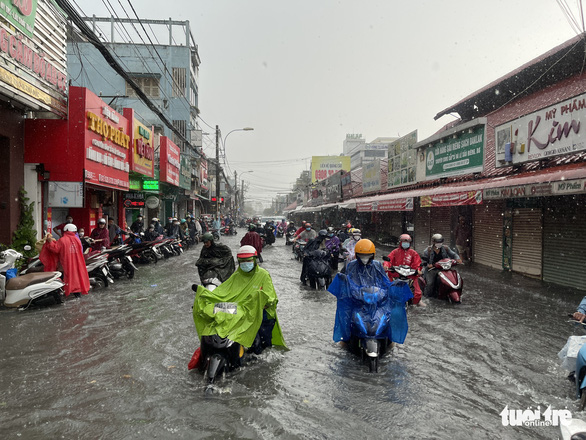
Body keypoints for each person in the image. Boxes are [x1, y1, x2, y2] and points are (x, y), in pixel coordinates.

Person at [192, 245, 287, 361]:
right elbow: (223, 292)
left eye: (248, 260)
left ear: (255, 260)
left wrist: (261, 301)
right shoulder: (237, 275)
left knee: (261, 345)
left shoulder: (263, 275)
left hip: (262, 313)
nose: (245, 263)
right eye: (242, 261)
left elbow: (271, 297)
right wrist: (205, 294)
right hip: (243, 312)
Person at [327, 239, 413, 346]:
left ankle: (390, 340)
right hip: (357, 300)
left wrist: (392, 287)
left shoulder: (377, 266)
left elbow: (385, 282)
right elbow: (345, 281)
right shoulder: (351, 266)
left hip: (375, 299)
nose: (364, 259)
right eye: (362, 256)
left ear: (372, 255)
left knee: (390, 313)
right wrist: (351, 290)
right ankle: (345, 339)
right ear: (357, 255)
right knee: (346, 314)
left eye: (367, 256)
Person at [41, 224, 90, 298]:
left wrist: (50, 241)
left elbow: (55, 249)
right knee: (76, 277)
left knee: (66, 277)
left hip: (66, 263)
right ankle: (77, 293)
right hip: (77, 262)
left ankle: (65, 292)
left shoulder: (62, 240)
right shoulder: (77, 240)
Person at [385, 234, 425, 306]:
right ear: (400, 242)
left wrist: (418, 270)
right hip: (396, 275)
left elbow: (418, 263)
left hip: (410, 276)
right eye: (403, 242)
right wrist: (386, 266)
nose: (405, 243)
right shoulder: (395, 252)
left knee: (417, 294)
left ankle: (415, 303)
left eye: (407, 242)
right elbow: (388, 260)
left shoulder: (413, 253)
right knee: (387, 290)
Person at [422, 233, 462, 297]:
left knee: (453, 278)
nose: (439, 243)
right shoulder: (428, 250)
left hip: (444, 268)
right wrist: (428, 265)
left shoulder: (446, 248)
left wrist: (458, 259)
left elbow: (454, 254)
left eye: (440, 241)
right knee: (430, 283)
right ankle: (427, 296)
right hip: (432, 269)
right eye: (437, 242)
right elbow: (424, 260)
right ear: (433, 242)